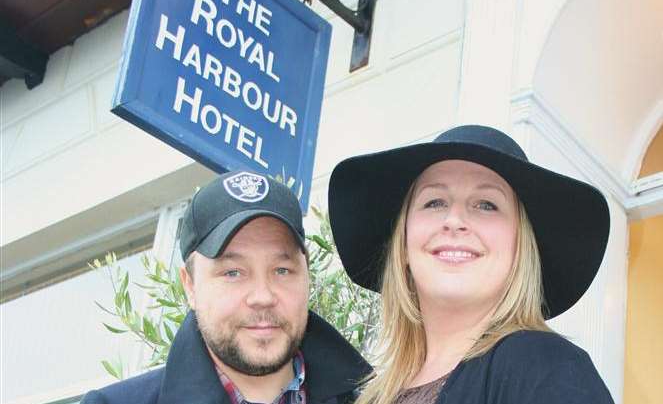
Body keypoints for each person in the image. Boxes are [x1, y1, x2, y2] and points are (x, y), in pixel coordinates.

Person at [328, 125, 614, 404]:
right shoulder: (373, 396)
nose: (454, 220)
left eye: (486, 204)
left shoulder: (548, 369)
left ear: (520, 249)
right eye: (435, 202)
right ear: (402, 244)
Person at [82, 170, 371, 404]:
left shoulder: (375, 398)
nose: (263, 297)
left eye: (282, 270)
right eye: (233, 272)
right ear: (190, 286)